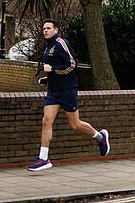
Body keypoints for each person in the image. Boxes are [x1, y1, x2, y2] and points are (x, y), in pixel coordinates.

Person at [27, 19, 110, 172]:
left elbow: (72, 65)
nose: (45, 30)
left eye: (48, 28)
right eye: (44, 28)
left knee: (75, 124)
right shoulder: (48, 47)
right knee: (46, 121)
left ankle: (100, 137)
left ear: (56, 30)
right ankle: (43, 158)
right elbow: (56, 69)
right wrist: (48, 79)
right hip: (54, 91)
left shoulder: (61, 43)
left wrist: (53, 70)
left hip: (68, 90)